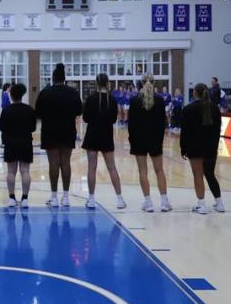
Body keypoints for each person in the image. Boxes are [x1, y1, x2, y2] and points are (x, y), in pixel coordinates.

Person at [35, 63, 83, 207]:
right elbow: (79, 111)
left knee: (54, 163)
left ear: (53, 78)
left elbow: (38, 114)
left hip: (50, 131)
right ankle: (66, 197)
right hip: (68, 131)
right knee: (66, 163)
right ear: (64, 78)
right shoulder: (73, 93)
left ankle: (54, 197)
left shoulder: (45, 93)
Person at [128, 76, 172, 212]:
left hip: (139, 140)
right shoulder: (159, 100)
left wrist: (132, 139)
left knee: (143, 171)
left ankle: (148, 203)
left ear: (140, 83)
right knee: (159, 171)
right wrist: (159, 139)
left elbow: (131, 124)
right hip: (155, 140)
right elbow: (162, 122)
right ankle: (164, 202)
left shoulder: (135, 100)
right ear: (154, 83)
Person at [82, 73, 124, 210]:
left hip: (92, 135)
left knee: (91, 168)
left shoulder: (90, 98)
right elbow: (113, 119)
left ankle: (92, 200)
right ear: (107, 83)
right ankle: (120, 200)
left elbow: (86, 118)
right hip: (106, 136)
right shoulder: (112, 99)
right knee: (112, 168)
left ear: (96, 83)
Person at [180, 83, 224, 214]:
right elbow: (218, 130)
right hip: (211, 148)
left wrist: (183, 148)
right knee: (210, 175)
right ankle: (219, 203)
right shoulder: (215, 108)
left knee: (198, 175)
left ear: (195, 93)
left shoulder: (188, 109)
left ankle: (202, 205)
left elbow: (185, 132)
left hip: (195, 148)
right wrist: (215, 147)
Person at [0, 83, 37, 207]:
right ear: (22, 95)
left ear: (11, 95)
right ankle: (25, 199)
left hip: (10, 143)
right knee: (25, 171)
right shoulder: (29, 109)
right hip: (25, 142)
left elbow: (2, 128)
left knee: (11, 172)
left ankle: (11, 198)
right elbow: (33, 128)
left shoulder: (6, 110)